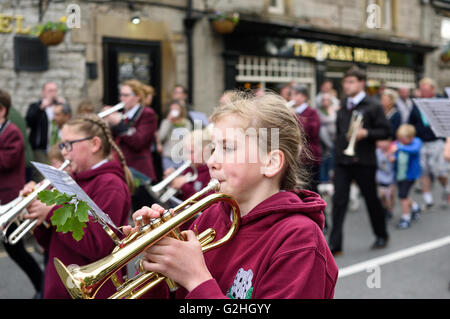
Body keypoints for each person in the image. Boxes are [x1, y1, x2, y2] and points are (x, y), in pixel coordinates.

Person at [124, 91, 338, 299]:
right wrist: (156, 265)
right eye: (213, 149)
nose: (211, 161)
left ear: (270, 163)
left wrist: (196, 279)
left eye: (227, 148)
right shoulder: (211, 217)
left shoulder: (300, 239)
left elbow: (196, 285)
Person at [22, 114, 133, 299]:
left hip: (92, 292)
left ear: (95, 144)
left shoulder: (110, 185)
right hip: (59, 287)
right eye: (62, 145)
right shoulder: (74, 180)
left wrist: (51, 211)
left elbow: (98, 246)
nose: (64, 152)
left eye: (68, 144)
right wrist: (38, 215)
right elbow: (50, 242)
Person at [328, 66, 391, 256]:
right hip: (343, 161)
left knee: (371, 199)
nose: (346, 86)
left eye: (351, 82)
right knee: (339, 202)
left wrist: (367, 133)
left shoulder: (373, 105)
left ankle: (381, 234)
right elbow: (340, 134)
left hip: (364, 161)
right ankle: (335, 244)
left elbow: (386, 131)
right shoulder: (342, 104)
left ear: (361, 83)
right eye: (345, 82)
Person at [0, 89, 43, 298]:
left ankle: (41, 284)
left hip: (9, 197)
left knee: (15, 248)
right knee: (12, 249)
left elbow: (5, 162)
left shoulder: (12, 132)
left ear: (1, 110)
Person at [408, 77, 449, 208]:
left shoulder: (442, 101)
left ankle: (446, 188)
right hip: (421, 142)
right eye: (422, 90)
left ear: (433, 89)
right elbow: (411, 123)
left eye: (426, 90)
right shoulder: (417, 105)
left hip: (437, 142)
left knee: (439, 170)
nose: (423, 92)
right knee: (423, 170)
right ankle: (428, 199)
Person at [25, 82, 65, 178]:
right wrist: (40, 108)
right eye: (50, 91)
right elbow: (28, 122)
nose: (53, 93)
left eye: (54, 91)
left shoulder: (59, 106)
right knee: (42, 176)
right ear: (43, 92)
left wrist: (65, 107)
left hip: (57, 148)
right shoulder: (35, 106)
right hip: (41, 149)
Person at [289, 84, 321, 194]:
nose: (291, 98)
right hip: (295, 157)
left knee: (311, 188)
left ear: (303, 97)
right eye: (291, 95)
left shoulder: (312, 112)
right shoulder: (291, 112)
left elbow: (311, 131)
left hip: (310, 157)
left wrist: (294, 117)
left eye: (295, 95)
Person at [390, 124, 422, 229]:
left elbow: (414, 149)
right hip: (399, 174)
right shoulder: (399, 143)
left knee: (402, 196)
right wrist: (392, 156)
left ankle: (405, 218)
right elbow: (394, 153)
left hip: (409, 175)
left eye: (403, 139)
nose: (401, 141)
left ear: (411, 137)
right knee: (404, 195)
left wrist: (399, 147)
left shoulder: (416, 142)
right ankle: (415, 206)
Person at [167, 129, 212, 202]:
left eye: (191, 152)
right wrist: (173, 180)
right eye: (186, 152)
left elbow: (203, 203)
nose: (187, 157)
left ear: (205, 151)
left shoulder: (210, 174)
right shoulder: (189, 168)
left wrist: (183, 186)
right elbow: (180, 196)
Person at [157, 100, 193, 172]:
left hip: (182, 157)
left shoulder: (186, 123)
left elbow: (188, 138)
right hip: (168, 157)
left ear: (181, 110)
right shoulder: (166, 122)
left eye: (176, 109)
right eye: (172, 109)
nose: (174, 111)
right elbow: (161, 136)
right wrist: (168, 121)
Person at [317, 92, 337, 184]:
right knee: (324, 161)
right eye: (323, 100)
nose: (325, 102)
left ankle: (331, 180)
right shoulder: (319, 111)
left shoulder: (335, 110)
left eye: (327, 100)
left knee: (332, 161)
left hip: (335, 139)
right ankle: (324, 181)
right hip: (323, 141)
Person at [375, 139, 396, 220]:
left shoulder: (393, 151)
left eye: (385, 141)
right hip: (381, 178)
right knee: (382, 196)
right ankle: (385, 209)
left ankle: (390, 210)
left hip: (391, 178)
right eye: (380, 141)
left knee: (390, 195)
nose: (383, 144)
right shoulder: (377, 152)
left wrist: (392, 156)